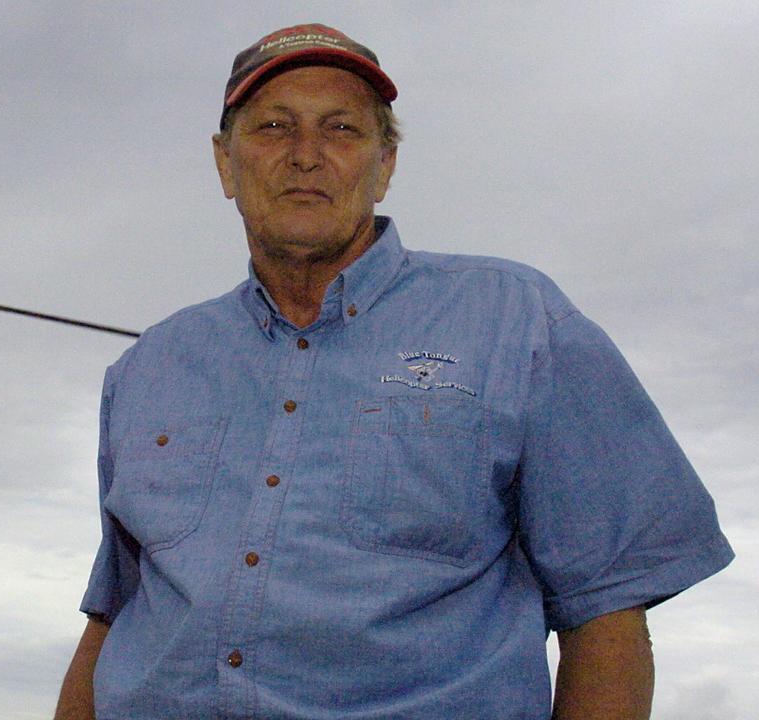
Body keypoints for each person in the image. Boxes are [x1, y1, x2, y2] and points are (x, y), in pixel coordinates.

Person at [55, 24, 733, 720]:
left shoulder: (516, 320)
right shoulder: (147, 367)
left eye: (342, 128)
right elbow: (114, 615)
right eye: (273, 126)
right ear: (225, 164)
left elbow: (606, 612)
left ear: (384, 165)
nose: (305, 155)